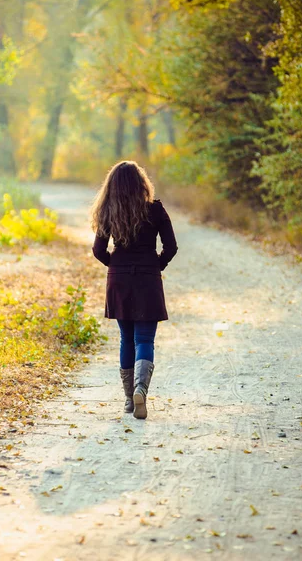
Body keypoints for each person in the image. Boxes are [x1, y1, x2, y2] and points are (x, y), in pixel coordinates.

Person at [91, 160, 178, 419]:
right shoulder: (155, 210)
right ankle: (141, 389)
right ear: (141, 183)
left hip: (119, 281)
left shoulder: (108, 211)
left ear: (113, 186)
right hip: (148, 280)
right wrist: (155, 266)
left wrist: (115, 266)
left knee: (126, 339)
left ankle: (129, 400)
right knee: (145, 340)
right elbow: (171, 247)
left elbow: (98, 250)